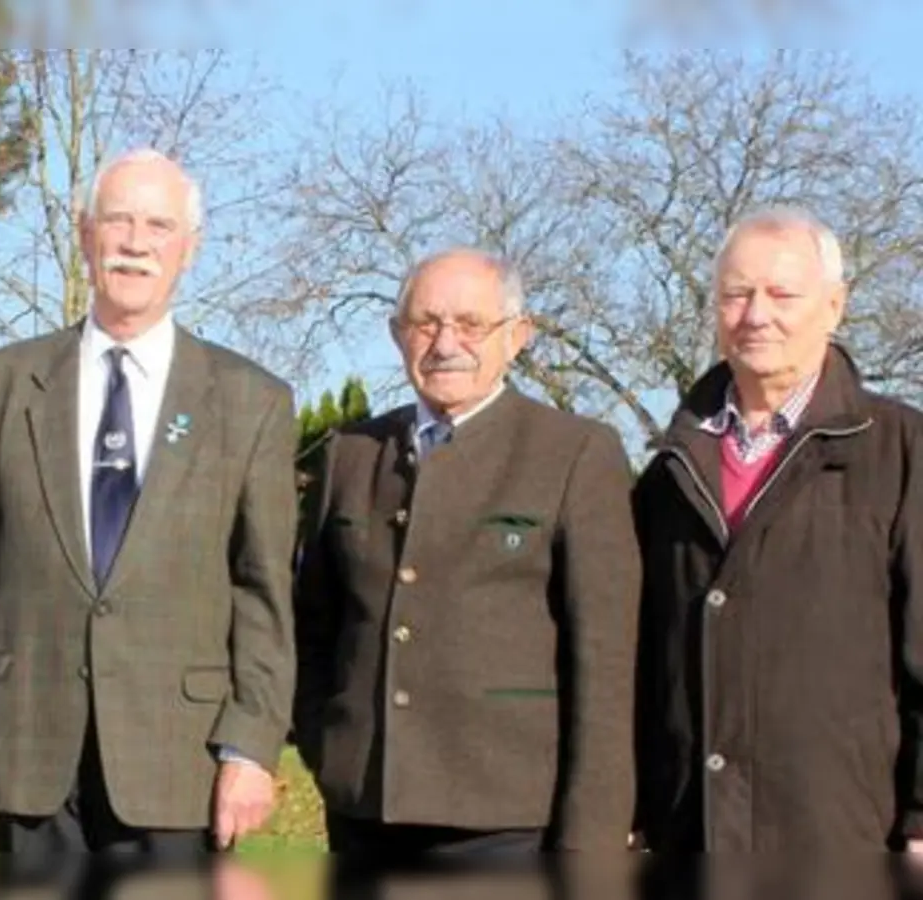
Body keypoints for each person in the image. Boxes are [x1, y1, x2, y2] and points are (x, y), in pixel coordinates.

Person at [0, 149, 297, 877]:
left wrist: (250, 747)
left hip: (179, 758)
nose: (136, 243)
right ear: (86, 235)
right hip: (27, 748)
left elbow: (263, 592)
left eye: (159, 226)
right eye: (118, 221)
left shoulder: (252, 401)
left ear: (189, 247)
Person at [292, 248, 640, 866]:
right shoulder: (351, 455)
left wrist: (592, 841)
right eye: (426, 323)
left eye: (471, 324)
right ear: (397, 334)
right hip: (365, 810)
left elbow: (605, 664)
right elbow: (314, 629)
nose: (446, 343)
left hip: (507, 821)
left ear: (518, 335)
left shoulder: (574, 454)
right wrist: (329, 746)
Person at [632, 206, 923, 852]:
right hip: (690, 837)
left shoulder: (901, 452)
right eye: (736, 294)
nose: (756, 315)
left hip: (844, 837)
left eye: (782, 294)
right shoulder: (670, 472)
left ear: (834, 305)